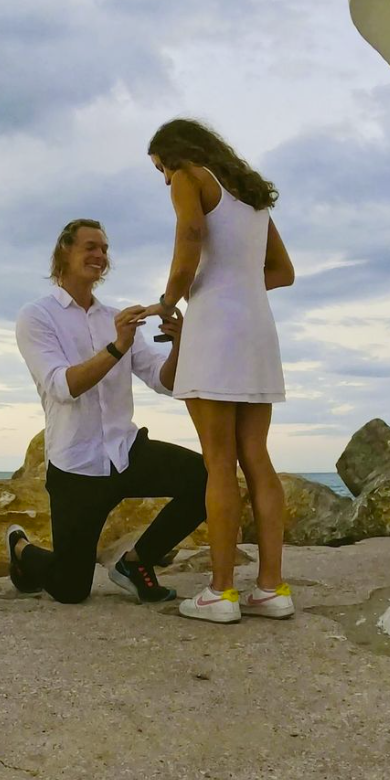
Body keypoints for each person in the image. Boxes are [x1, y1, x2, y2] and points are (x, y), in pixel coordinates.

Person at [143, 118, 296, 624]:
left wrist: (169, 301)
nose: (166, 181)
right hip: (257, 331)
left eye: (160, 169)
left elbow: (190, 235)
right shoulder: (251, 197)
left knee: (218, 461)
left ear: (174, 155)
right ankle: (272, 588)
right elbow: (282, 272)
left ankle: (220, 591)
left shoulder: (191, 175)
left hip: (216, 332)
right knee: (257, 457)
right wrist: (239, 288)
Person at [10, 218, 208, 605]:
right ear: (64, 252)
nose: (100, 255)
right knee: (71, 589)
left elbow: (164, 381)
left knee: (208, 478)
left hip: (125, 450)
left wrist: (181, 344)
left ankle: (137, 562)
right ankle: (20, 549)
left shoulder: (114, 318)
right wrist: (117, 346)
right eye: (90, 247)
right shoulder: (36, 317)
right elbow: (63, 386)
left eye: (104, 249)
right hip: (76, 465)